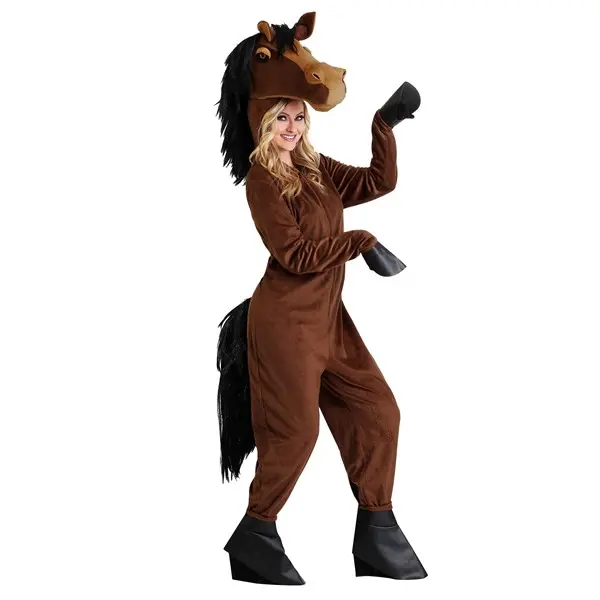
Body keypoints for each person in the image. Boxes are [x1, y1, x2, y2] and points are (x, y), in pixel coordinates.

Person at [216, 12, 426, 584]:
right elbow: (295, 255)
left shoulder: (315, 167)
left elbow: (377, 183)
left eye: (299, 116)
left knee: (377, 413)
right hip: (285, 324)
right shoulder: (263, 180)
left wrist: (383, 125)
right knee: (296, 434)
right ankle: (256, 533)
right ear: (264, 121)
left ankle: (377, 532)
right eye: (282, 117)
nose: (292, 125)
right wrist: (358, 242)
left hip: (329, 321)